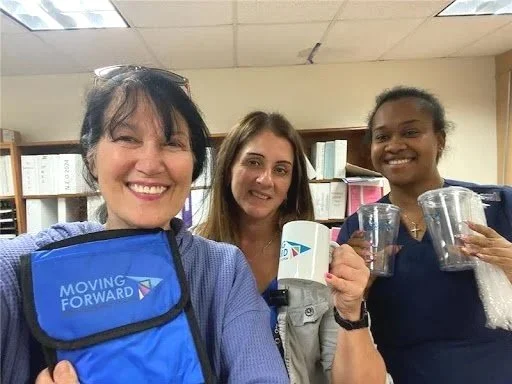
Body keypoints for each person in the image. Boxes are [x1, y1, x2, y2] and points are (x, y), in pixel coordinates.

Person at [0, 66, 289, 384]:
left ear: (194, 164)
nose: (151, 164)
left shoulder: (223, 270)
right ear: (91, 157)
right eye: (126, 137)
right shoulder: (33, 264)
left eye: (173, 143)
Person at [197, 111, 388, 384]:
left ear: (291, 184)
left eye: (281, 170)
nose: (266, 180)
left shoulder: (324, 259)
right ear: (228, 168)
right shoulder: (193, 257)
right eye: (253, 162)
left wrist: (351, 310)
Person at [338, 86, 512, 383]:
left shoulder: (498, 205)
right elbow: (347, 325)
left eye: (410, 132)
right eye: (382, 137)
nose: (394, 145)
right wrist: (358, 290)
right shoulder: (360, 228)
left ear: (440, 140)